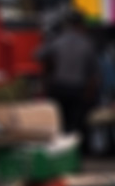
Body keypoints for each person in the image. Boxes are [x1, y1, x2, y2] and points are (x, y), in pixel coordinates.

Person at [38, 14, 98, 155]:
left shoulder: (57, 41)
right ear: (80, 26)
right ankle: (76, 153)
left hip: (58, 87)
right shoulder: (87, 43)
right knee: (76, 124)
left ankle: (60, 153)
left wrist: (50, 69)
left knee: (59, 123)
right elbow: (93, 73)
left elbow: (39, 55)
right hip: (77, 89)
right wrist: (90, 93)